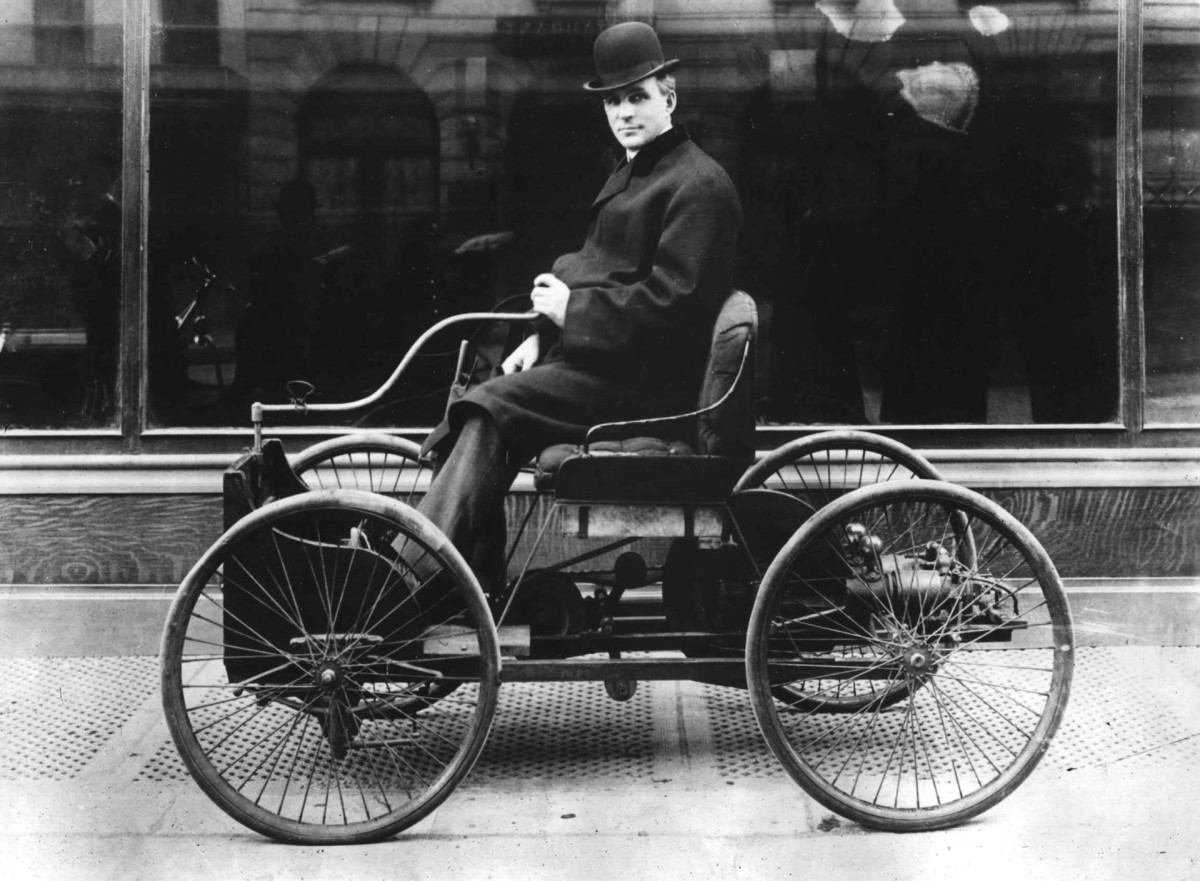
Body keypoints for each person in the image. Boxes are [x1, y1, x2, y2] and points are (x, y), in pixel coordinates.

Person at [412, 21, 742, 587]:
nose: (624, 113)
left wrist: (572, 314)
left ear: (668, 97)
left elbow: (676, 307)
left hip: (649, 389)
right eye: (613, 101)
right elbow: (596, 268)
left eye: (637, 97)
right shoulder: (638, 171)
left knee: (491, 405)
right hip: (609, 366)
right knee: (481, 392)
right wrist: (542, 333)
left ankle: (412, 573)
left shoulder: (699, 185)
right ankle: (460, 583)